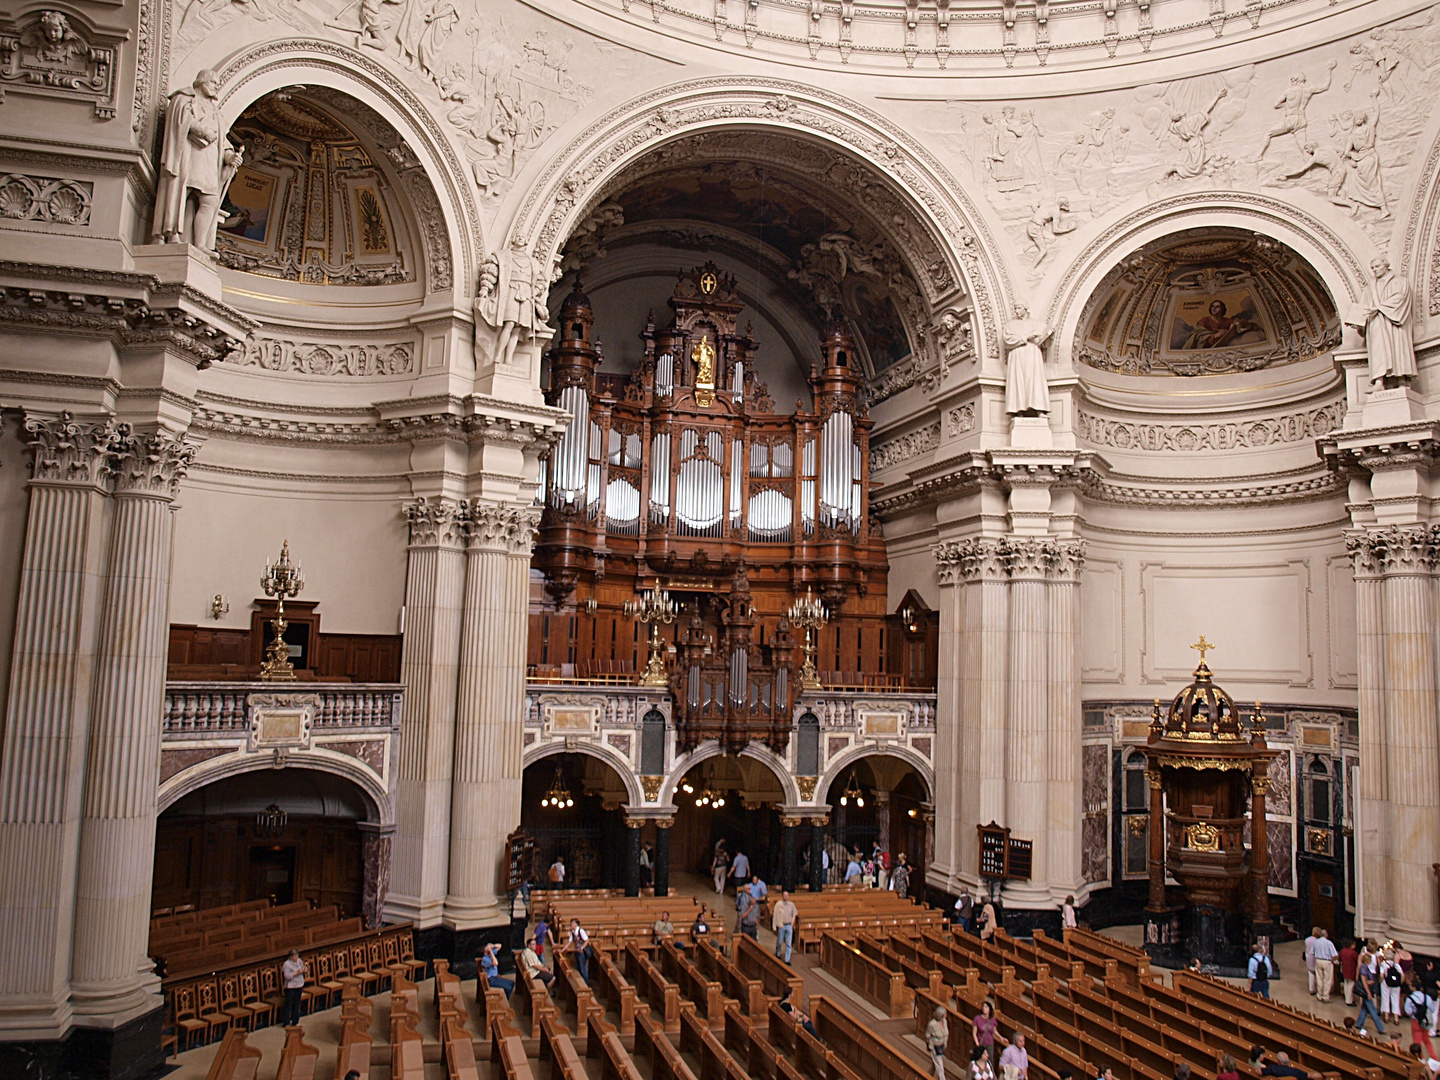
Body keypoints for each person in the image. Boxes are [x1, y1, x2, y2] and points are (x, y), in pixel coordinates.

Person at [1405, 974, 1436, 1059]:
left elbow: (1408, 1012)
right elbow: (1432, 1009)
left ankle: (1420, 1058)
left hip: (1416, 1020)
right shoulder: (1427, 997)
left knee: (1417, 1041)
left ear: (1414, 987)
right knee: (1427, 1040)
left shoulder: (1410, 998)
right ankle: (1433, 1057)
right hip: (1425, 1020)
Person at [1356, 952, 1385, 1036]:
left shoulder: (1365, 967)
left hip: (1368, 990)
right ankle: (1381, 1028)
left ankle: (1359, 1023)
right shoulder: (1364, 968)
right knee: (1372, 1010)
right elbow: (1364, 981)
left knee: (1364, 1009)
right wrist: (1368, 992)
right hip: (1366, 991)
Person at [281, 948, 307, 1026]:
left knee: (297, 1003)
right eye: (295, 956)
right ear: (291, 957)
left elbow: (303, 967)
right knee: (289, 1004)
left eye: (297, 955)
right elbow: (287, 976)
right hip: (290, 987)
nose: (296, 957)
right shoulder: (286, 964)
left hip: (299, 984)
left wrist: (304, 970)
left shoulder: (299, 961)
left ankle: (295, 1020)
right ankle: (286, 1021)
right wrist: (297, 972)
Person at [772, 889, 798, 963]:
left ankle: (787, 960)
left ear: (788, 896)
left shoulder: (791, 904)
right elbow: (776, 915)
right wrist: (776, 925)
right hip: (782, 925)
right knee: (780, 941)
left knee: (788, 943)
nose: (785, 896)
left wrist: (792, 922)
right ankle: (778, 954)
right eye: (784, 895)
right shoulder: (779, 904)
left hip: (789, 925)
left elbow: (795, 913)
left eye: (787, 895)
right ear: (782, 896)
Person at [1313, 928, 1338, 1003]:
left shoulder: (1315, 942)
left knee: (1319, 978)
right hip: (1327, 961)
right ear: (1326, 935)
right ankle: (1325, 996)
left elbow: (1312, 952)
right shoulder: (1329, 943)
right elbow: (1334, 954)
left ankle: (1319, 995)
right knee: (1327, 980)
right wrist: (1333, 960)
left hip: (1318, 960)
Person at [1382, 947, 1406, 1023]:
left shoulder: (1384, 964)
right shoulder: (1396, 965)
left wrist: (1381, 981)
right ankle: (1396, 1019)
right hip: (1396, 985)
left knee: (1385, 999)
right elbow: (1402, 975)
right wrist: (1400, 983)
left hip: (1386, 983)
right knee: (1395, 1000)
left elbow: (1381, 975)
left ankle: (1386, 1017)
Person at [925, 1005, 949, 1080]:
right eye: (945, 1014)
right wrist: (928, 1046)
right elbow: (927, 1036)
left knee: (935, 1064)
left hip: (942, 1045)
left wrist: (945, 1044)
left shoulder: (945, 1021)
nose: (946, 1015)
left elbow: (945, 1034)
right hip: (935, 1046)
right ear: (941, 1015)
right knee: (940, 1066)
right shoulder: (931, 1024)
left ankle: (927, 1075)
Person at [565, 918, 592, 984]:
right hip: (576, 952)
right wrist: (562, 949)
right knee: (578, 968)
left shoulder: (581, 931)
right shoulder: (573, 932)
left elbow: (587, 940)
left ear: (576, 924)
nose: (571, 925)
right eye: (571, 923)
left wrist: (582, 948)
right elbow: (569, 942)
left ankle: (586, 983)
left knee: (583, 969)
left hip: (581, 952)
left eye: (573, 923)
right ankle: (580, 983)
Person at [972, 1001, 997, 1067]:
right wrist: (977, 1044)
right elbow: (974, 1033)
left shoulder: (992, 1019)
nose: (984, 1008)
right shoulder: (977, 1018)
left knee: (990, 1060)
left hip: (990, 1043)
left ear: (989, 1009)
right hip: (981, 1043)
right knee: (980, 1060)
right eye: (983, 1006)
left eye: (986, 1007)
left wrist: (1001, 1038)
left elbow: (994, 1031)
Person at [1340, 937, 1360, 1006]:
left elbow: (1340, 958)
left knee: (1346, 984)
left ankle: (1346, 998)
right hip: (1351, 971)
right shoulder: (1353, 953)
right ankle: (1349, 1001)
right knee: (1351, 986)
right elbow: (1358, 961)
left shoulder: (1342, 951)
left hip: (1344, 970)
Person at [1303, 926, 1319, 996]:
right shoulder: (1317, 941)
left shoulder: (1307, 939)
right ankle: (1320, 990)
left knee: (1311, 973)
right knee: (1318, 974)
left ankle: (1311, 989)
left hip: (1308, 957)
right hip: (1315, 958)